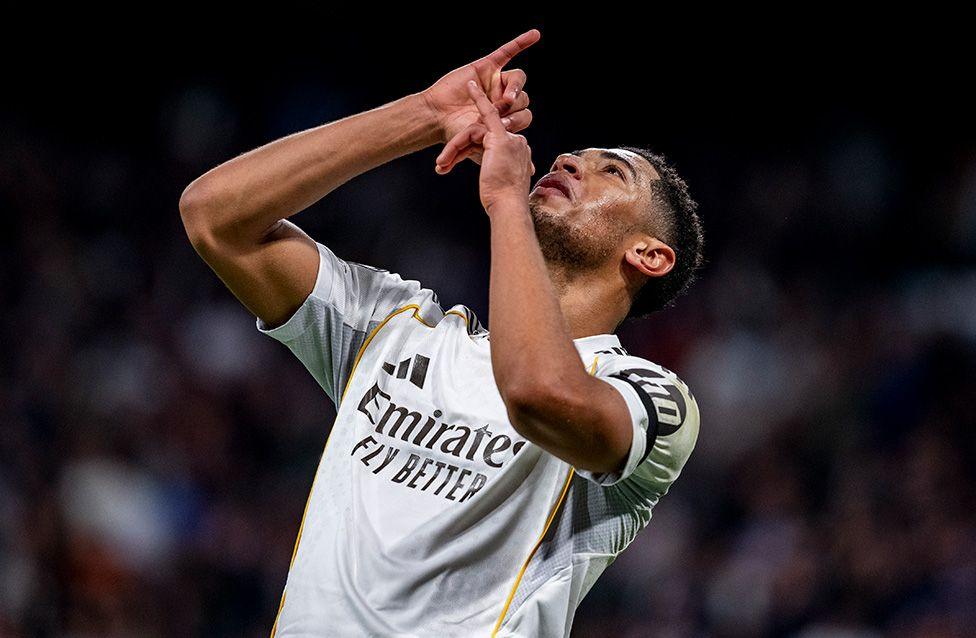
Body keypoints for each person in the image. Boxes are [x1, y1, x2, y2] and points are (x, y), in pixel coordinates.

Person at [179, 28, 704, 638]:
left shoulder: (650, 398)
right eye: (574, 156)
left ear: (650, 255)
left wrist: (506, 201)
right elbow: (214, 218)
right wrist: (425, 115)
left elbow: (537, 393)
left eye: (610, 172)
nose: (566, 161)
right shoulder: (395, 329)